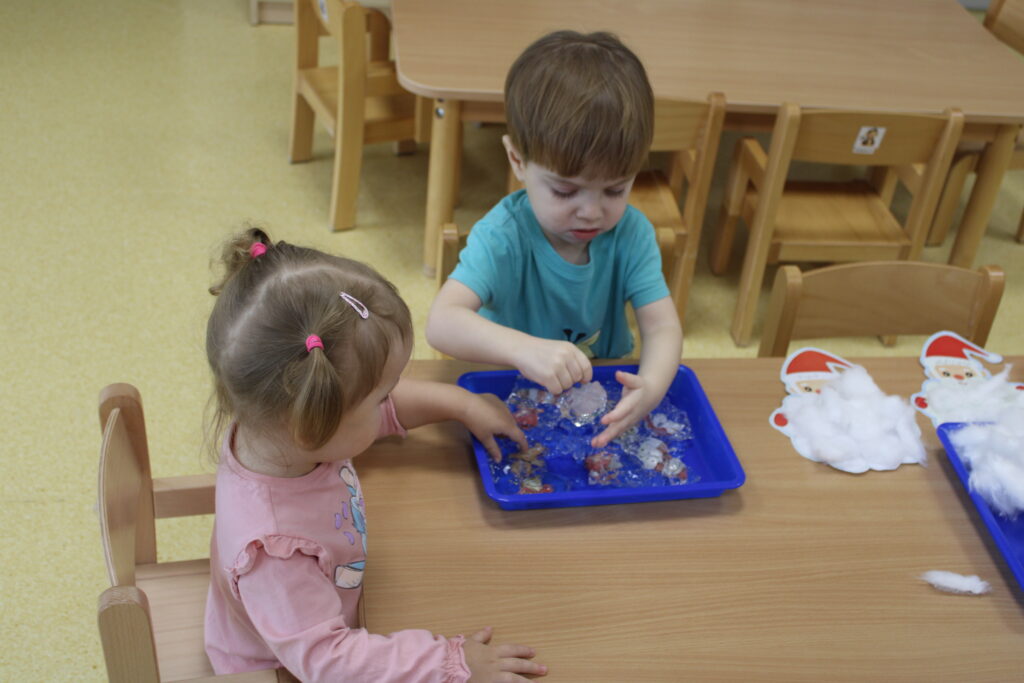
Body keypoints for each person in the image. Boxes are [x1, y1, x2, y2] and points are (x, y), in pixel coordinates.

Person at [203, 228, 545, 682]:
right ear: (314, 423)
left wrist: (461, 404)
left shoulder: (277, 428)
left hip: (325, 609)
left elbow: (371, 411)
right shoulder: (274, 557)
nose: (390, 400)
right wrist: (450, 664)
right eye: (381, 395)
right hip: (278, 665)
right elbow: (329, 662)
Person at [426, 30, 682, 449]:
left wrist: (651, 387)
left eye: (615, 189)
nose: (591, 212)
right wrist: (523, 349)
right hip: (508, 391)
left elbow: (663, 326)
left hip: (598, 392)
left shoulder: (632, 234)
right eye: (565, 191)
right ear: (517, 160)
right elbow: (441, 323)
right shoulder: (504, 236)